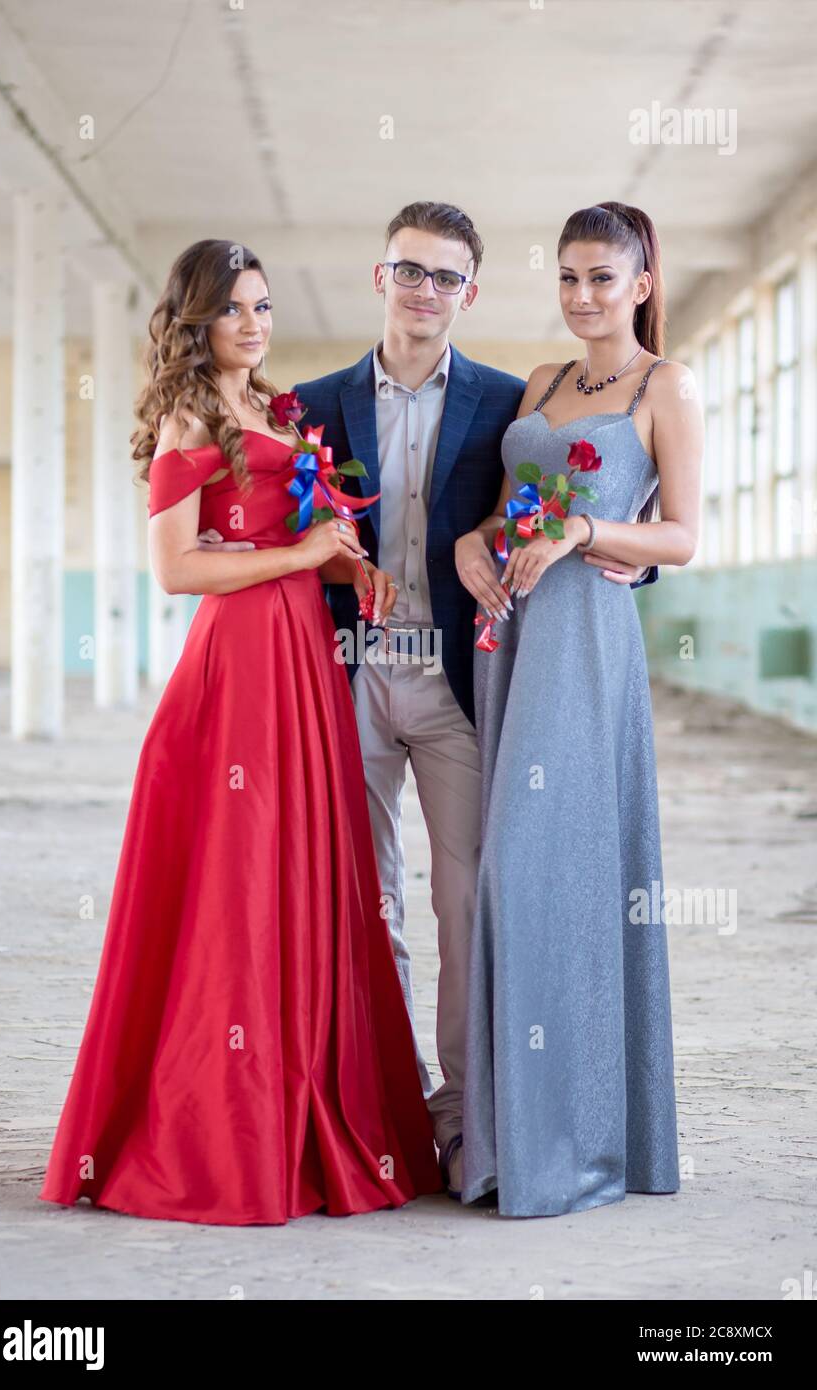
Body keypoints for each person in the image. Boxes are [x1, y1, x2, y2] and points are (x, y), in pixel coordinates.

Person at [38, 239, 443, 1226]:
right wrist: (297, 552)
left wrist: (336, 563)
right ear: (197, 322)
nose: (254, 325)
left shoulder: (275, 407)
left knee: (305, 877)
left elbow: (283, 529)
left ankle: (307, 1102)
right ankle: (226, 1132)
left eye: (261, 307)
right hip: (237, 672)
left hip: (301, 658)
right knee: (239, 886)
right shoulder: (191, 413)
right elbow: (177, 569)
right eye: (233, 311)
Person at [292, 202, 658, 1197]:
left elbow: (574, 490)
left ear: (470, 292)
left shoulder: (506, 397)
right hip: (351, 673)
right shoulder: (311, 403)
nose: (424, 291)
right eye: (409, 271)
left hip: (463, 680)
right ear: (381, 277)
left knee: (467, 901)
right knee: (362, 904)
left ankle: (460, 1119)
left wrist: (622, 565)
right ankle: (378, 1102)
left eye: (445, 277)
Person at [457, 201, 703, 1216]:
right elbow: (511, 508)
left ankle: (581, 1141)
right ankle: (511, 1137)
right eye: (565, 276)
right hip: (508, 632)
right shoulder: (542, 382)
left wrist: (583, 533)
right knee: (504, 873)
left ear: (639, 284)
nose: (580, 296)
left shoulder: (664, 385)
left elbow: (682, 536)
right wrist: (477, 541)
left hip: (584, 642)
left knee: (542, 864)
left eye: (601, 278)